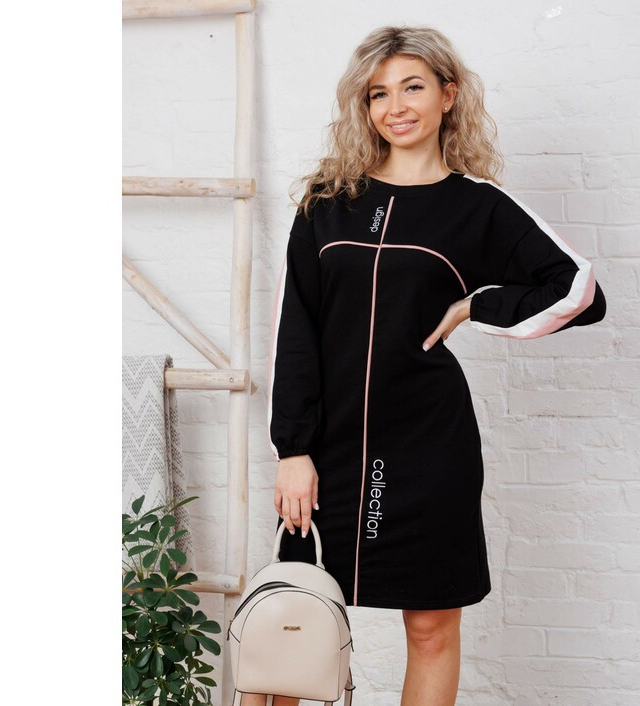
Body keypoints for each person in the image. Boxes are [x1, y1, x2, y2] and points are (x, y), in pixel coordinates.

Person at [255, 25, 607, 706]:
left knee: (430, 630)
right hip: (326, 450)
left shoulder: (477, 206)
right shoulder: (328, 203)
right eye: (378, 94)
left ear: (448, 94)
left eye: (412, 87)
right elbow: (293, 330)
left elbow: (579, 290)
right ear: (364, 107)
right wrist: (292, 450)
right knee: (292, 621)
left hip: (427, 449)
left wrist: (478, 304)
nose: (396, 107)